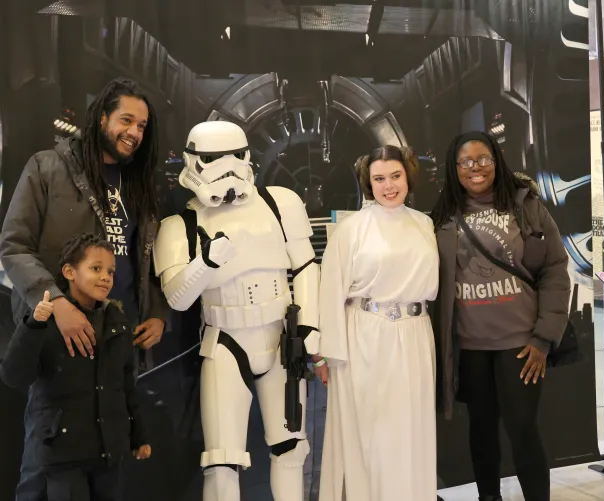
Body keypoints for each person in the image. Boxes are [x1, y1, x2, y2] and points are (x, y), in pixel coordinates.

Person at [0, 77, 170, 501]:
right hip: (58, 344)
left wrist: (157, 311)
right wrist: (56, 303)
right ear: (101, 120)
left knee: (106, 477)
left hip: (114, 343)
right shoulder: (47, 168)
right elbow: (13, 246)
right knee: (45, 475)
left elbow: (147, 258)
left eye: (142, 125)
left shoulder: (139, 184)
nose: (134, 132)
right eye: (126, 120)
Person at [153, 120, 320, 501]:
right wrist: (206, 264)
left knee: (291, 450)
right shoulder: (180, 224)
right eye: (213, 159)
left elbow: (307, 266)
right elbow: (178, 298)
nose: (226, 169)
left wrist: (309, 323)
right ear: (193, 161)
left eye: (234, 157)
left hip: (281, 340)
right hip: (225, 342)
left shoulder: (281, 203)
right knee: (222, 462)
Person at [430, 131, 570, 501]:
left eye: (483, 159)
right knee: (481, 427)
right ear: (454, 167)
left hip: (521, 345)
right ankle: (489, 497)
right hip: (471, 347)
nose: (475, 169)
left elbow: (555, 269)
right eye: (466, 162)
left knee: (523, 427)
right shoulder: (443, 215)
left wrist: (543, 339)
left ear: (496, 160)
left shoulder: (526, 206)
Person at [314, 145, 439, 501]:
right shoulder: (352, 229)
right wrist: (326, 354)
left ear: (408, 176)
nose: (389, 186)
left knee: (411, 430)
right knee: (371, 433)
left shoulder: (423, 223)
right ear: (368, 183)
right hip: (366, 337)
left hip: (415, 336)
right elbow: (331, 290)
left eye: (395, 176)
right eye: (379, 178)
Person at [0, 233, 152, 501]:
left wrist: (137, 435)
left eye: (111, 271)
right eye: (96, 268)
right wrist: (33, 326)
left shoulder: (117, 322)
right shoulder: (44, 319)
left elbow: (126, 385)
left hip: (107, 456)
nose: (106, 277)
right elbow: (14, 375)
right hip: (61, 457)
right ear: (69, 271)